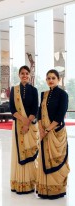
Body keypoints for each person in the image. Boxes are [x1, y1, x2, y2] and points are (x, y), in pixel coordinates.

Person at [36, 69, 70, 199]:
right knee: (45, 159)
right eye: (48, 78)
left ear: (58, 79)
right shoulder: (44, 94)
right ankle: (45, 189)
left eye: (53, 78)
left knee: (56, 159)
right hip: (44, 132)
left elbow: (60, 115)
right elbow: (39, 112)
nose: (50, 80)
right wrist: (40, 128)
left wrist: (47, 130)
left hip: (56, 132)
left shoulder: (63, 95)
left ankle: (56, 190)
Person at [9, 65, 39, 194]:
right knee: (18, 152)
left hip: (31, 126)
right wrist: (23, 120)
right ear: (19, 75)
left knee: (30, 152)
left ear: (30, 75)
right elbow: (12, 109)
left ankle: (30, 182)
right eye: (22, 73)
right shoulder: (14, 90)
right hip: (18, 126)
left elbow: (35, 109)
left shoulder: (34, 90)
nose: (25, 75)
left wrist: (27, 123)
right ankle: (19, 182)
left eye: (27, 73)